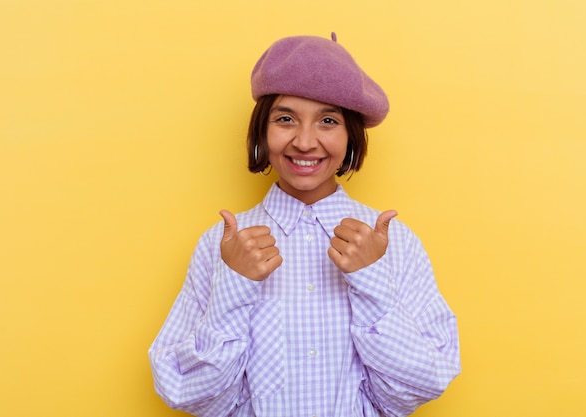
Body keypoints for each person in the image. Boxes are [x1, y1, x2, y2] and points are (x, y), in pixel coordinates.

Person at [149, 33, 460, 417]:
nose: (305, 141)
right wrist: (236, 285)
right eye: (285, 119)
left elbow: (419, 386)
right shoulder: (223, 245)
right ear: (263, 129)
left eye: (328, 120)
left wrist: (371, 281)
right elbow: (188, 392)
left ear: (351, 136)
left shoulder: (393, 244)